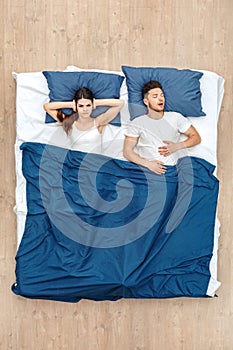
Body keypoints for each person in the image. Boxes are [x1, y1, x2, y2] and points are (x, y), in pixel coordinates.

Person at [123, 80, 201, 175]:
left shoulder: (176, 117)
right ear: (146, 101)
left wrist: (177, 146)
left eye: (162, 95)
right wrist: (148, 164)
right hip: (146, 169)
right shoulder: (137, 122)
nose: (160, 99)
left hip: (171, 170)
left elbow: (196, 137)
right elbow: (127, 151)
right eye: (155, 96)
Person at [43, 87, 124, 153]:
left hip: (94, 164)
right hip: (75, 163)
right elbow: (47, 107)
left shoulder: (99, 122)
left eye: (88, 105)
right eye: (81, 106)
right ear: (76, 107)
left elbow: (120, 103)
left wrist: (96, 103)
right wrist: (71, 104)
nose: (85, 109)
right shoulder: (69, 122)